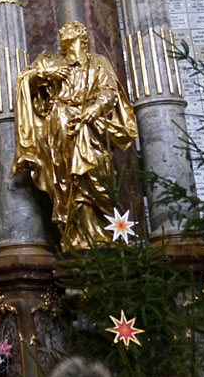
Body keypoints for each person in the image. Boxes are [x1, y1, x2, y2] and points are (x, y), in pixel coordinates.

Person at [12, 21, 137, 250]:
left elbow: (110, 91)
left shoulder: (98, 62)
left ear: (82, 36)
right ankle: (82, 235)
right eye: (63, 30)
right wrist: (45, 72)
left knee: (99, 169)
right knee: (70, 179)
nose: (64, 31)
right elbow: (25, 81)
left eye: (72, 28)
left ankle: (105, 230)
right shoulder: (51, 62)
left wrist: (95, 108)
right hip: (61, 125)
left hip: (92, 126)